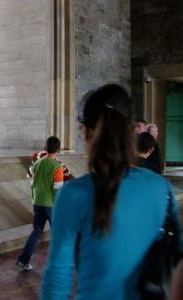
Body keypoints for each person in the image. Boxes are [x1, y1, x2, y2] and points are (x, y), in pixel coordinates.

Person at [40, 84, 181, 299]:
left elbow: (58, 275)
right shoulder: (161, 187)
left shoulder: (73, 195)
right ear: (131, 132)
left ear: (86, 132)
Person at [16, 136, 64, 271]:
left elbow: (33, 183)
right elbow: (58, 191)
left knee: (36, 232)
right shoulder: (57, 167)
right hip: (51, 205)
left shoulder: (36, 164)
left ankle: (23, 260)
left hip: (37, 202)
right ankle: (60, 261)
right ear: (58, 150)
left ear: (45, 148)